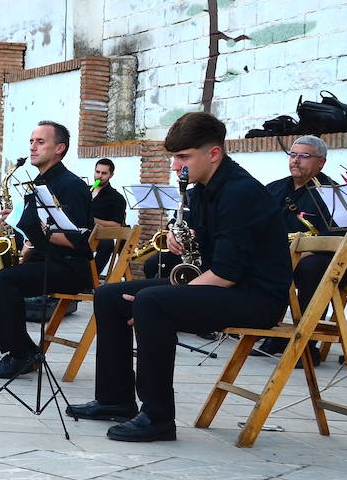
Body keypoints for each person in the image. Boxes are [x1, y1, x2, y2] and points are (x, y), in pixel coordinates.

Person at [68, 112, 291, 442]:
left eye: (183, 157)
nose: (175, 166)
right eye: (174, 157)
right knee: (109, 296)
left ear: (213, 153)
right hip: (221, 284)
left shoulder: (240, 193)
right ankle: (114, 399)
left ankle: (157, 417)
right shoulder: (199, 189)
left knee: (151, 302)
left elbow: (226, 275)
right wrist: (179, 239)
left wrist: (163, 299)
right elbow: (204, 253)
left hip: (255, 298)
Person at [0, 121, 93, 379]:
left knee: (5, 283)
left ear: (59, 148)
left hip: (70, 266)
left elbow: (75, 240)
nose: (33, 148)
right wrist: (16, 219)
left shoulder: (72, 186)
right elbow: (35, 230)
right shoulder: (36, 184)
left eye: (40, 142)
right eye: (31, 142)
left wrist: (40, 230)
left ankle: (19, 356)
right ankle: (24, 351)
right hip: (43, 260)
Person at [260, 135, 346, 353]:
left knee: (310, 268)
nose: (296, 160)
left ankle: (307, 344)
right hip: (282, 257)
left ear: (321, 162)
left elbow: (338, 238)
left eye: (304, 156)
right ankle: (271, 331)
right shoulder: (274, 188)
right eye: (293, 154)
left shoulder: (332, 193)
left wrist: (301, 252)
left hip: (325, 261)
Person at [90, 157, 128, 274]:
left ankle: (91, 279)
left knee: (107, 244)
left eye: (104, 173)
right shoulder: (85, 191)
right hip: (81, 231)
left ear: (111, 175)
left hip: (100, 234)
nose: (99, 176)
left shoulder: (116, 198)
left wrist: (94, 220)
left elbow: (117, 224)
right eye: (97, 172)